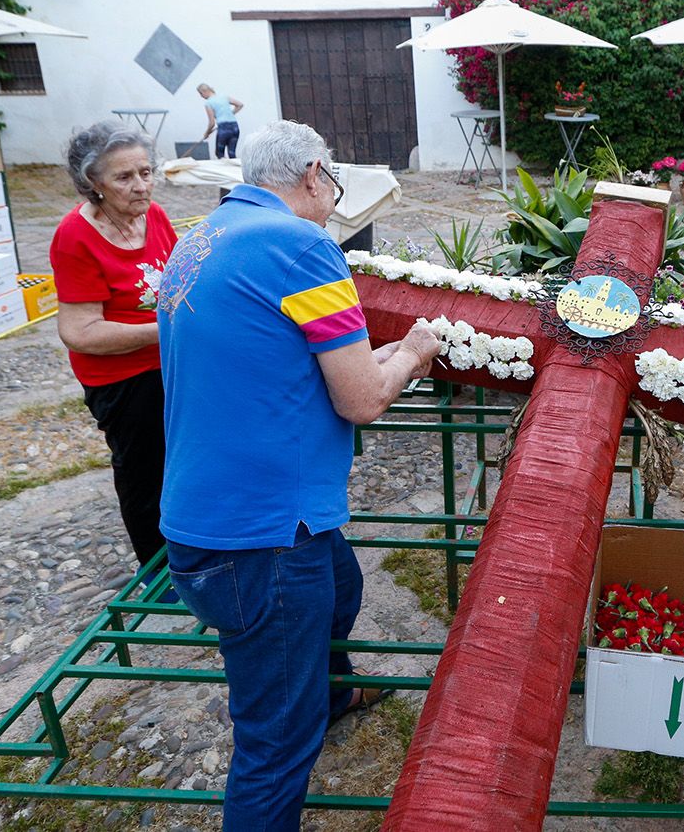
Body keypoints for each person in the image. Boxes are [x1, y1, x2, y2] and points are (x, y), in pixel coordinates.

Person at [155, 119, 441, 830]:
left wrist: (383, 353)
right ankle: (300, 716)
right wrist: (412, 354)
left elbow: (300, 370)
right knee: (274, 745)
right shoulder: (303, 245)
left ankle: (331, 689)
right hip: (263, 539)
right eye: (333, 183)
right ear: (314, 173)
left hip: (202, 517)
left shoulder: (203, 237)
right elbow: (363, 397)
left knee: (343, 582)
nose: (333, 199)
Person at [50, 122, 179, 568]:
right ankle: (160, 571)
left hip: (170, 364)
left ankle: (199, 551)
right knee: (145, 473)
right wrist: (162, 331)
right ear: (93, 183)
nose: (141, 186)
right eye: (125, 178)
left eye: (146, 172)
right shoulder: (75, 237)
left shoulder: (154, 216)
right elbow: (80, 331)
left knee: (184, 461)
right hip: (123, 379)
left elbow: (181, 280)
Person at [197, 82, 244, 159]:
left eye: (201, 94)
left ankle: (224, 170)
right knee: (232, 153)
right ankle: (236, 170)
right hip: (235, 127)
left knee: (219, 153)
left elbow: (212, 123)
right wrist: (231, 114)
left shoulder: (208, 103)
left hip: (224, 129)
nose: (201, 96)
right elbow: (240, 104)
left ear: (205, 91)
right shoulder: (224, 97)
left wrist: (206, 133)